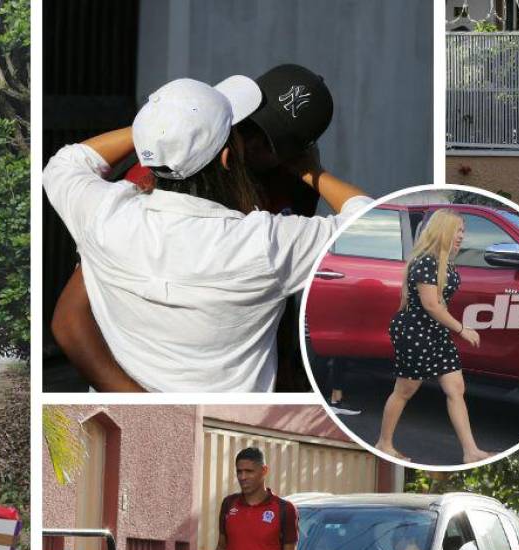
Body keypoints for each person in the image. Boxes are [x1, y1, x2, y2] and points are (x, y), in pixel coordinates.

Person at [42, 73, 371, 392]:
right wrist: (312, 171)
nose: (254, 145)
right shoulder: (265, 242)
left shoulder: (108, 212)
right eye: (243, 130)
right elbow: (371, 225)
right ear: (229, 156)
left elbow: (67, 164)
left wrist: (163, 127)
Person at [374, 210, 490, 464]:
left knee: (456, 388)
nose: (461, 235)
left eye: (463, 231)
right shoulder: (427, 261)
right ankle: (384, 442)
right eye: (457, 230)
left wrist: (450, 328)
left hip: (435, 331)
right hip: (415, 331)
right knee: (405, 389)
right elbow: (431, 305)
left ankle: (471, 451)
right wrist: (461, 329)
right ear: (442, 230)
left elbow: (440, 305)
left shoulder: (444, 262)